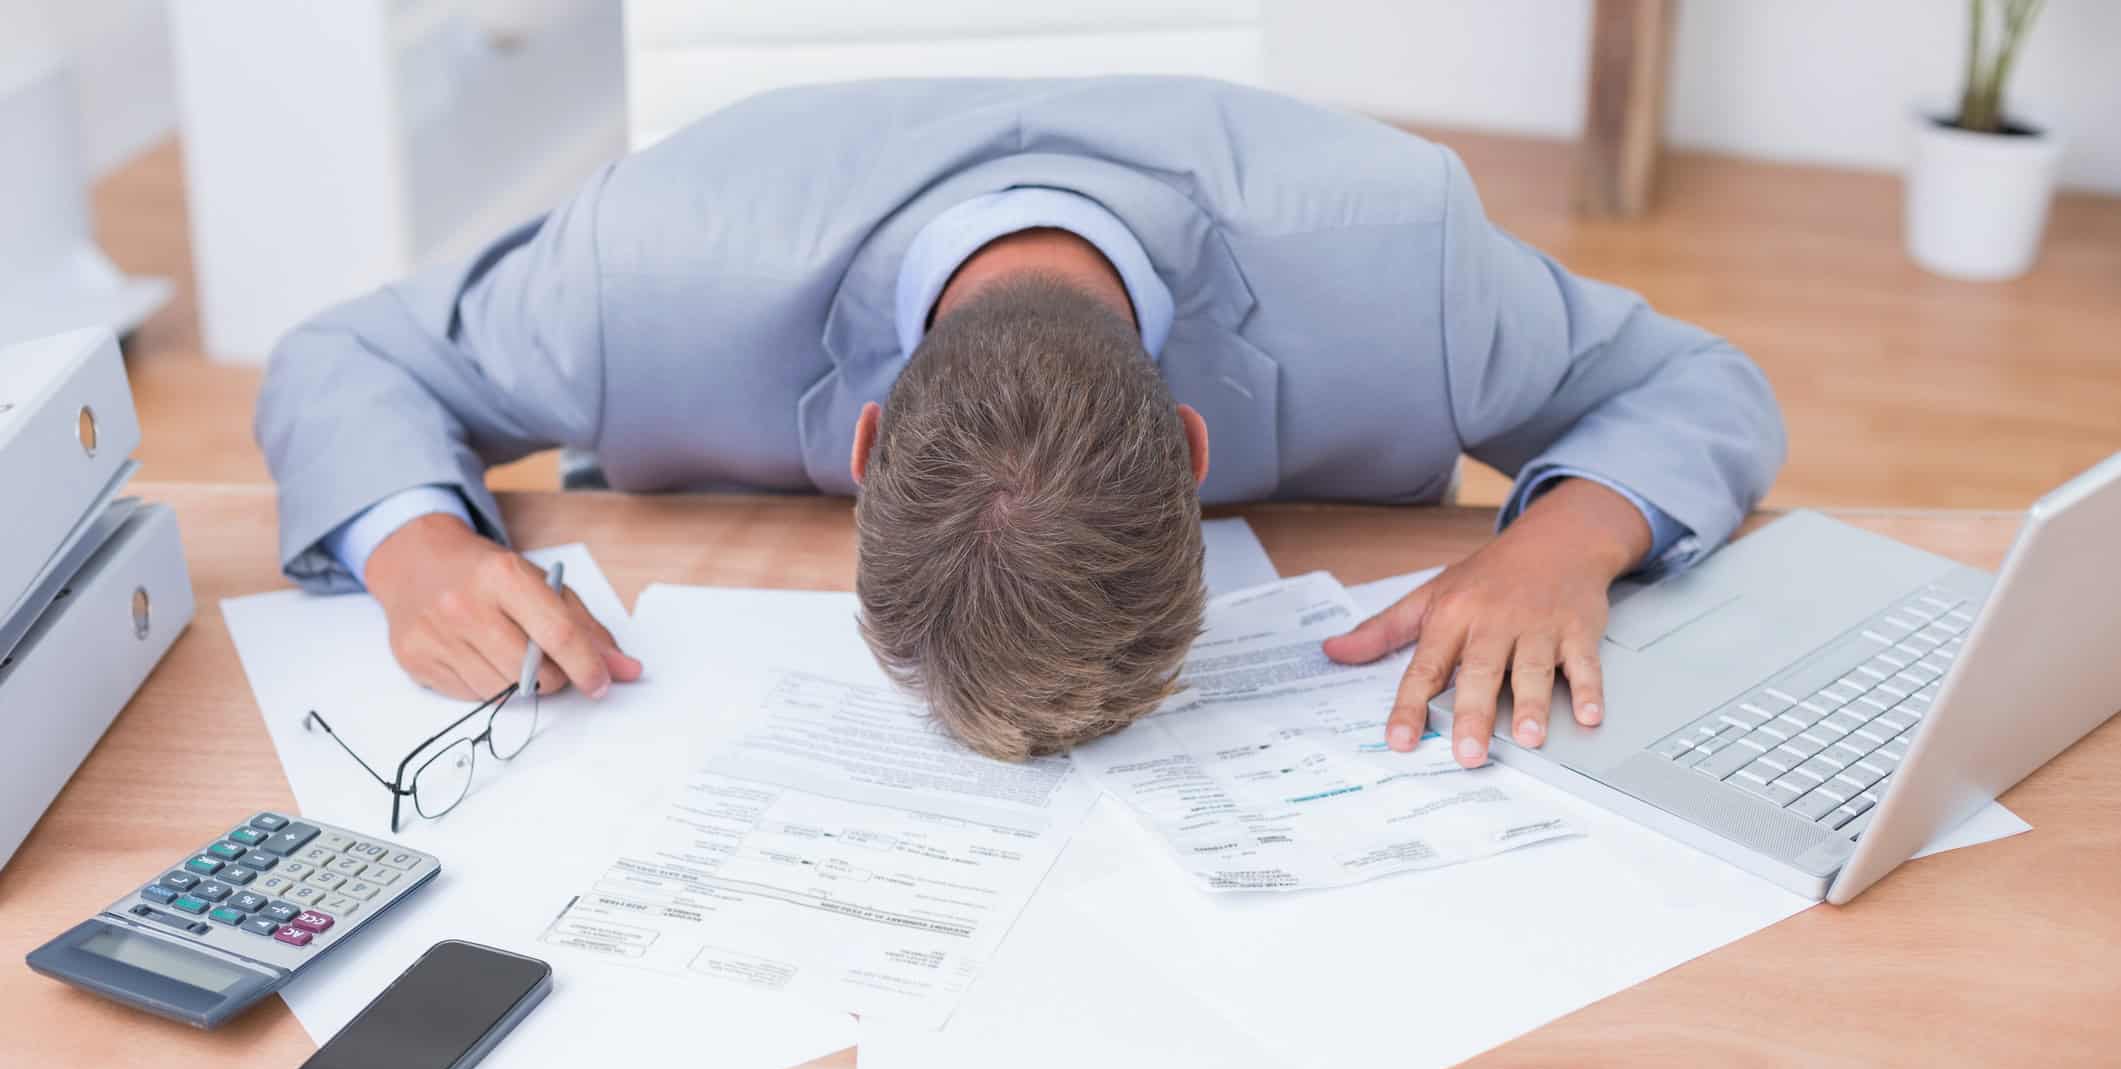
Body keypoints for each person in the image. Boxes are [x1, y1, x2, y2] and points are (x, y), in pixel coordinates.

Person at [257, 77, 1783, 765]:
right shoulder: (643, 267)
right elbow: (341, 357)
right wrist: (411, 547)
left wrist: (1569, 541)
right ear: (862, 459)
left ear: (1187, 453)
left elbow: (1701, 380)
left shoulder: (1403, 256)